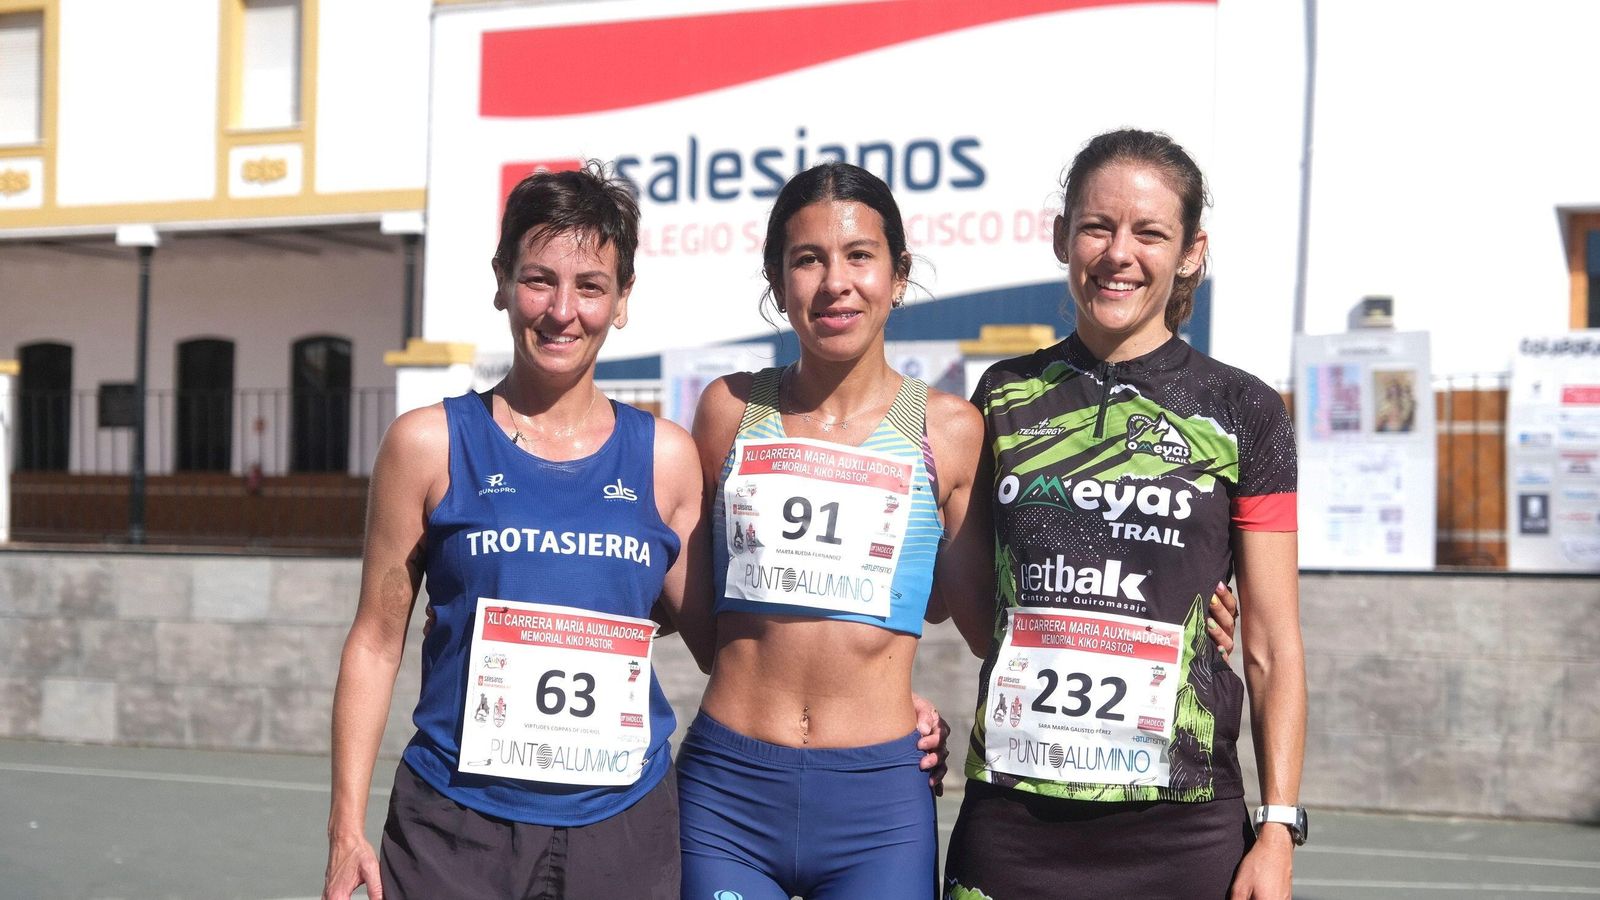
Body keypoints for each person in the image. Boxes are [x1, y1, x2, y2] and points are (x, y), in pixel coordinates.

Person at [321, 163, 703, 900]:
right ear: (501, 282)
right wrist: (345, 829)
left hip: (623, 826)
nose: (563, 310)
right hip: (456, 826)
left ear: (622, 301)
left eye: (591, 286)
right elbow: (375, 638)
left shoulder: (667, 458)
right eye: (539, 280)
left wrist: (878, 694)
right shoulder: (427, 443)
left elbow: (732, 642)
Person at [943, 129, 1306, 900]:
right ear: (1061, 236)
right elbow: (977, 616)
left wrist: (1278, 827)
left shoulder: (1246, 410)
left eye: (1149, 232)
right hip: (1014, 818)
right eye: (1098, 227)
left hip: (1181, 829)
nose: (1119, 252)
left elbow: (1272, 642)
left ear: (1191, 251)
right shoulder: (1002, 397)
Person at [675, 162, 993, 900]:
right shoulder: (727, 410)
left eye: (859, 256)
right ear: (777, 278)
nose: (835, 282)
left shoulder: (950, 430)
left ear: (898, 272)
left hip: (878, 804)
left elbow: (980, 622)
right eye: (807, 259)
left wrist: (1200, 602)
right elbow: (695, 599)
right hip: (727, 794)